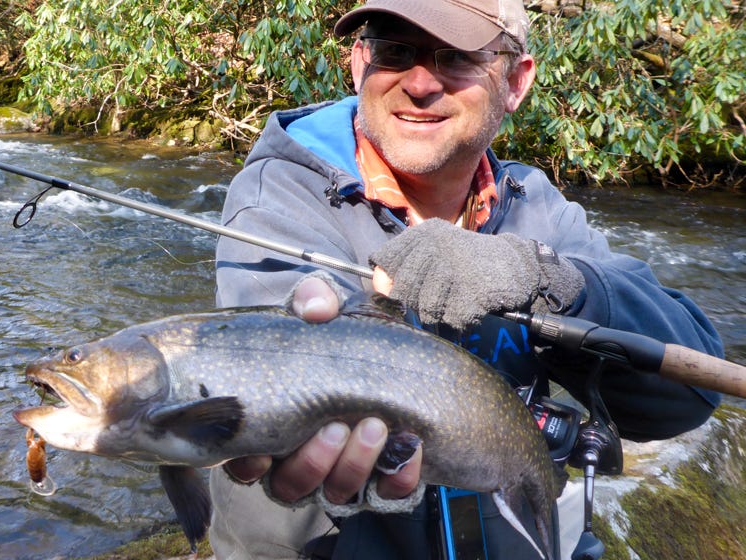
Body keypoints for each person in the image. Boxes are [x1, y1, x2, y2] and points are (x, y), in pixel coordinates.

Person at [210, 0, 724, 559]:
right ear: (359, 64)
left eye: (456, 57)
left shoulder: (536, 208)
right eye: (395, 51)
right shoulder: (279, 197)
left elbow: (688, 397)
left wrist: (554, 280)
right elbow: (268, 390)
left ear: (516, 81)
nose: (421, 82)